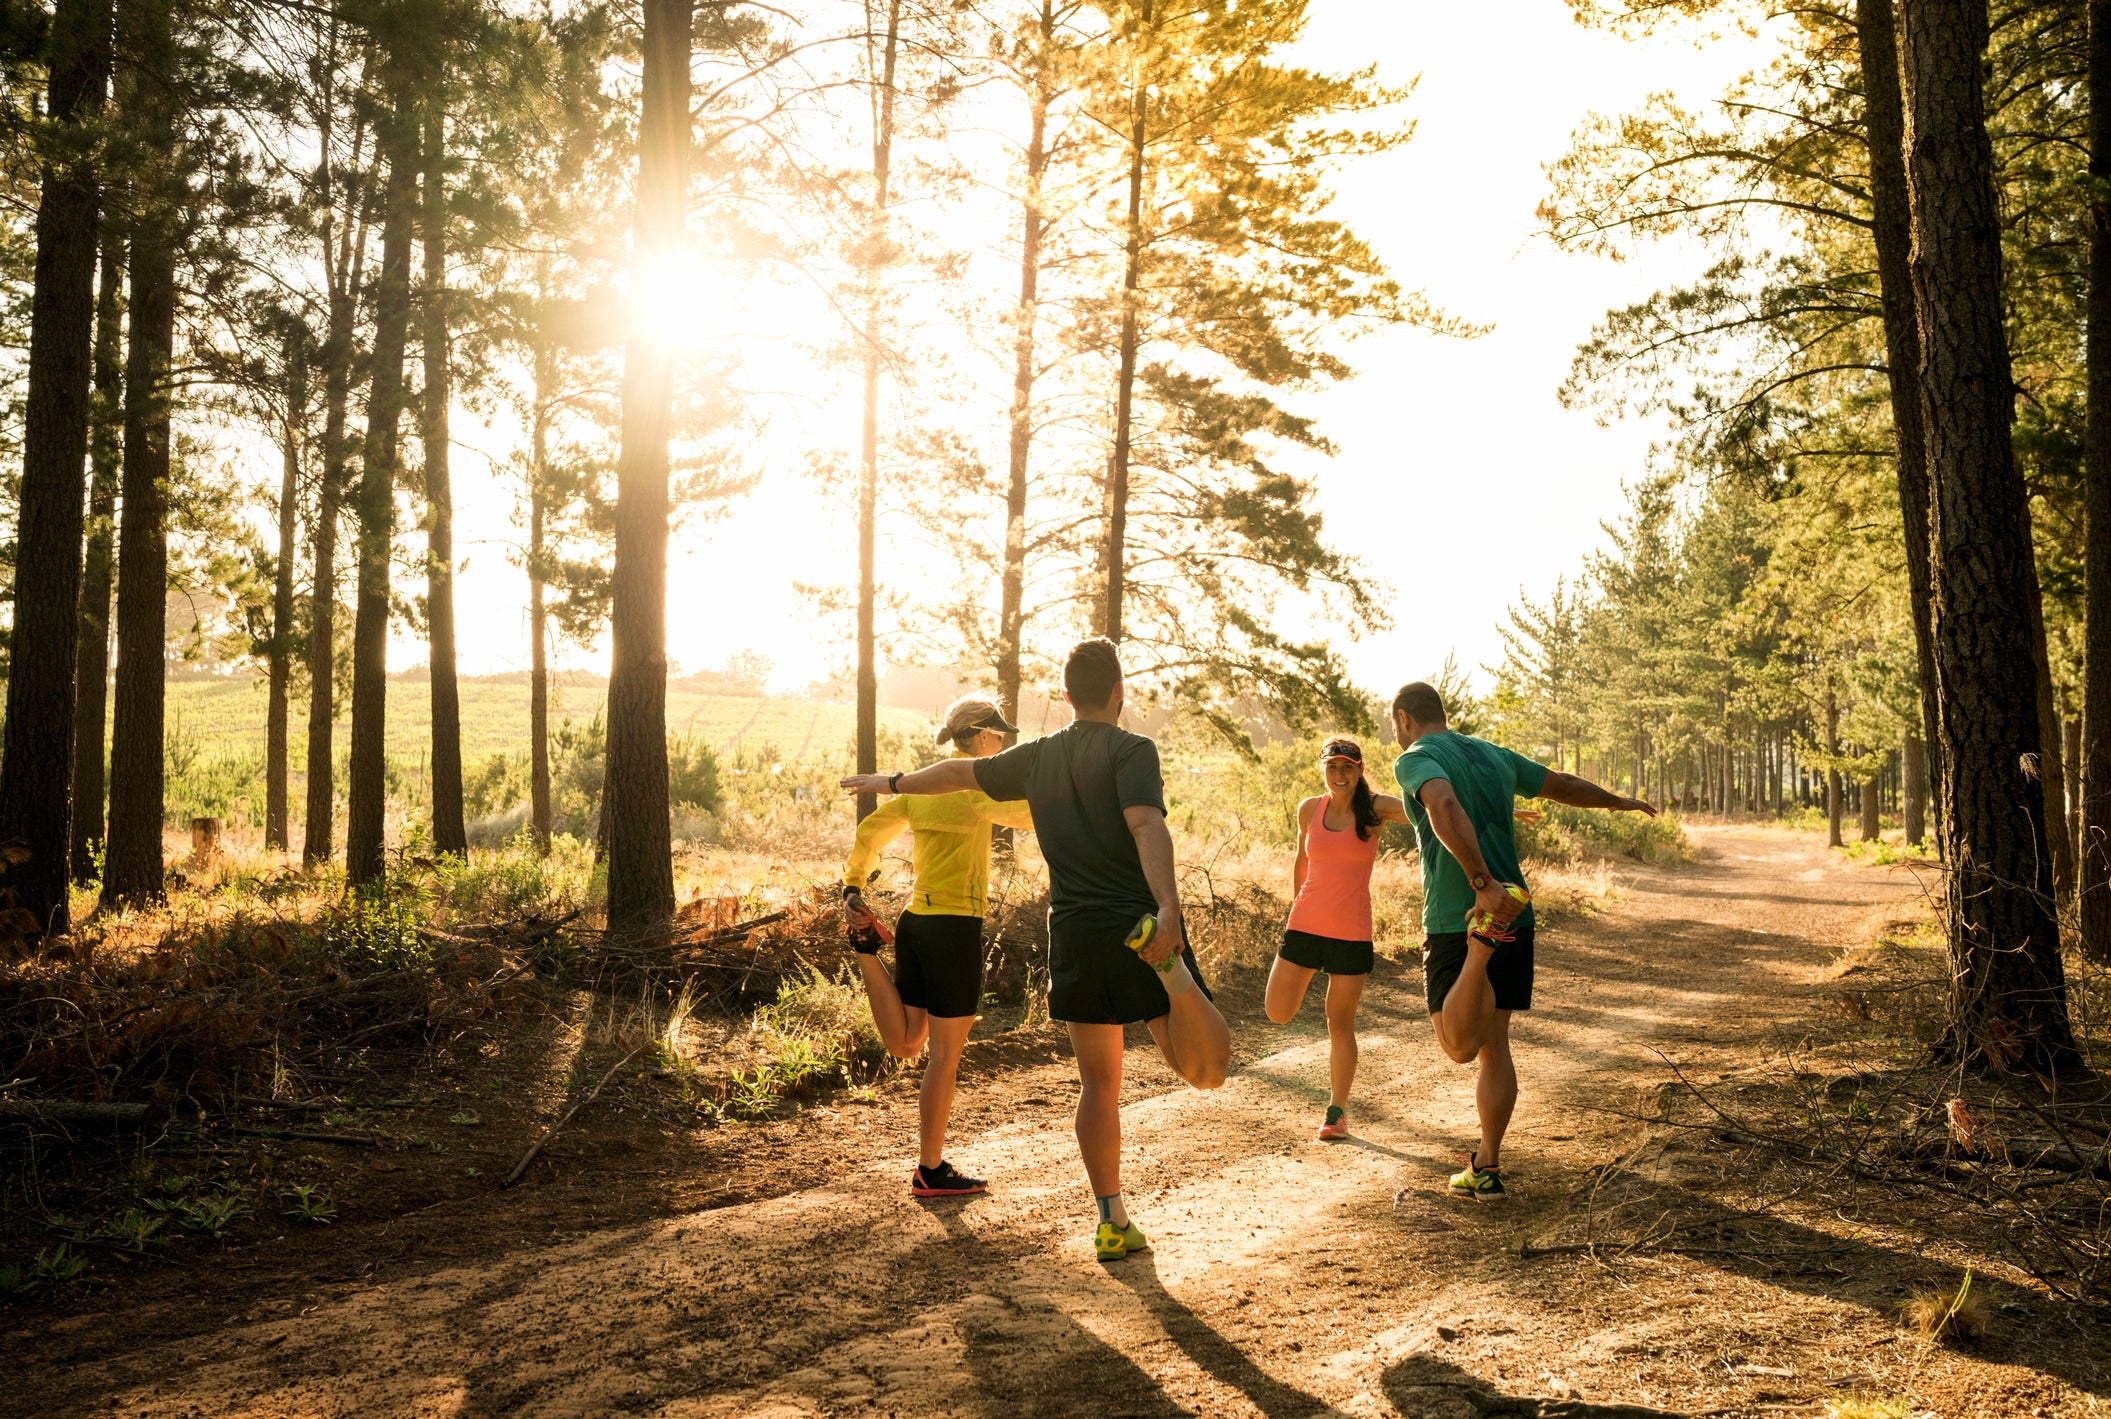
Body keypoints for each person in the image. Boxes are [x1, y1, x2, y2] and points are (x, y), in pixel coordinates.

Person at [843, 639, 1231, 1263]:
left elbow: (951, 775)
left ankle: (1111, 1221)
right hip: (1127, 926)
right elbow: (1145, 824)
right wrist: (1168, 908)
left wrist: (889, 783)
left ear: (1067, 695)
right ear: (1119, 692)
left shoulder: (1035, 758)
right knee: (1206, 1070)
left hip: (1068, 933)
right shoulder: (1132, 750)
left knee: (1097, 1083)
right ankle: (1173, 973)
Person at [1389, 680, 1655, 1203]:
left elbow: (1441, 804)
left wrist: (1480, 884)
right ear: (1441, 712)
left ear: (1403, 719)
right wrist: (1614, 802)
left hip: (1461, 915)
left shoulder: (1416, 756)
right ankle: (1486, 1165)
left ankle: (1479, 948)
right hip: (1516, 910)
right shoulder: (1491, 754)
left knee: (1459, 1046)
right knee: (1495, 1045)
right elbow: (1561, 784)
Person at [840, 694, 1034, 1200]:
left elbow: (871, 830)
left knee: (907, 1044)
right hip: (952, 929)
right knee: (943, 1056)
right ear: (981, 736)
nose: (1002, 741)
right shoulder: (974, 790)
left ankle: (865, 953)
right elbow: (1031, 815)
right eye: (998, 734)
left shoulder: (921, 791)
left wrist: (852, 886)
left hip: (915, 923)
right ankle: (930, 1170)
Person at [1265, 736, 1402, 1142]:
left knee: (1339, 1022)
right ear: (1322, 769)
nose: (1339, 774)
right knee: (1276, 1011)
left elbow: (1431, 809)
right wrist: (1295, 912)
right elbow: (1301, 860)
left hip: (1351, 931)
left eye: (1347, 766)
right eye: (1332, 766)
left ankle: (1336, 1113)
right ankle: (1308, 972)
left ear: (1360, 769)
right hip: (1305, 924)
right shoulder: (1309, 808)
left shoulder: (1376, 809)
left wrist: (1489, 804)